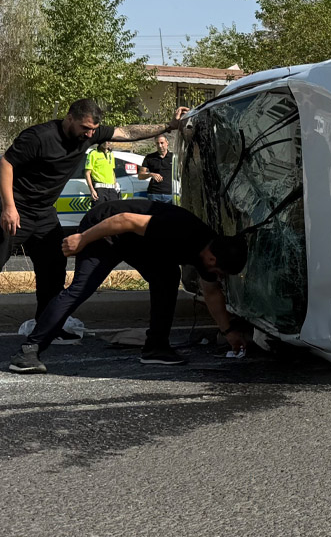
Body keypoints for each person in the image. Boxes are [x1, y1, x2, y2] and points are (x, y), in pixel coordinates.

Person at [0, 100, 188, 343]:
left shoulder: (90, 134)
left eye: (93, 130)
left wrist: (168, 125)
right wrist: (8, 207)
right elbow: (6, 163)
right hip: (16, 209)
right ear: (69, 118)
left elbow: (128, 132)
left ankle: (46, 327)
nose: (89, 134)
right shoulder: (39, 136)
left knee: (54, 268)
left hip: (44, 213)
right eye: (85, 128)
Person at [7, 199, 249, 373]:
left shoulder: (211, 252)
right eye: (218, 271)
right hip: (105, 227)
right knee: (82, 288)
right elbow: (125, 220)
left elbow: (212, 293)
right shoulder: (180, 229)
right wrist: (82, 238)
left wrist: (229, 332)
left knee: (166, 276)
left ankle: (156, 348)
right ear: (212, 259)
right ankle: (28, 350)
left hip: (135, 242)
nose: (216, 276)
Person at [137, 135, 174, 203]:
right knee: (153, 214)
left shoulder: (174, 157)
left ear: (167, 143)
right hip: (154, 193)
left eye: (162, 143)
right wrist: (151, 174)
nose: (160, 145)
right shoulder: (149, 157)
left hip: (170, 193)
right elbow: (140, 176)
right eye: (157, 143)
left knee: (169, 214)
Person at [85, 141, 119, 206]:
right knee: (99, 213)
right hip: (99, 189)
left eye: (108, 141)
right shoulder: (93, 153)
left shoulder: (111, 154)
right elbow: (87, 173)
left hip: (111, 189)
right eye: (104, 141)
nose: (107, 143)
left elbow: (112, 171)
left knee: (114, 213)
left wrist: (115, 184)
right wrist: (92, 190)